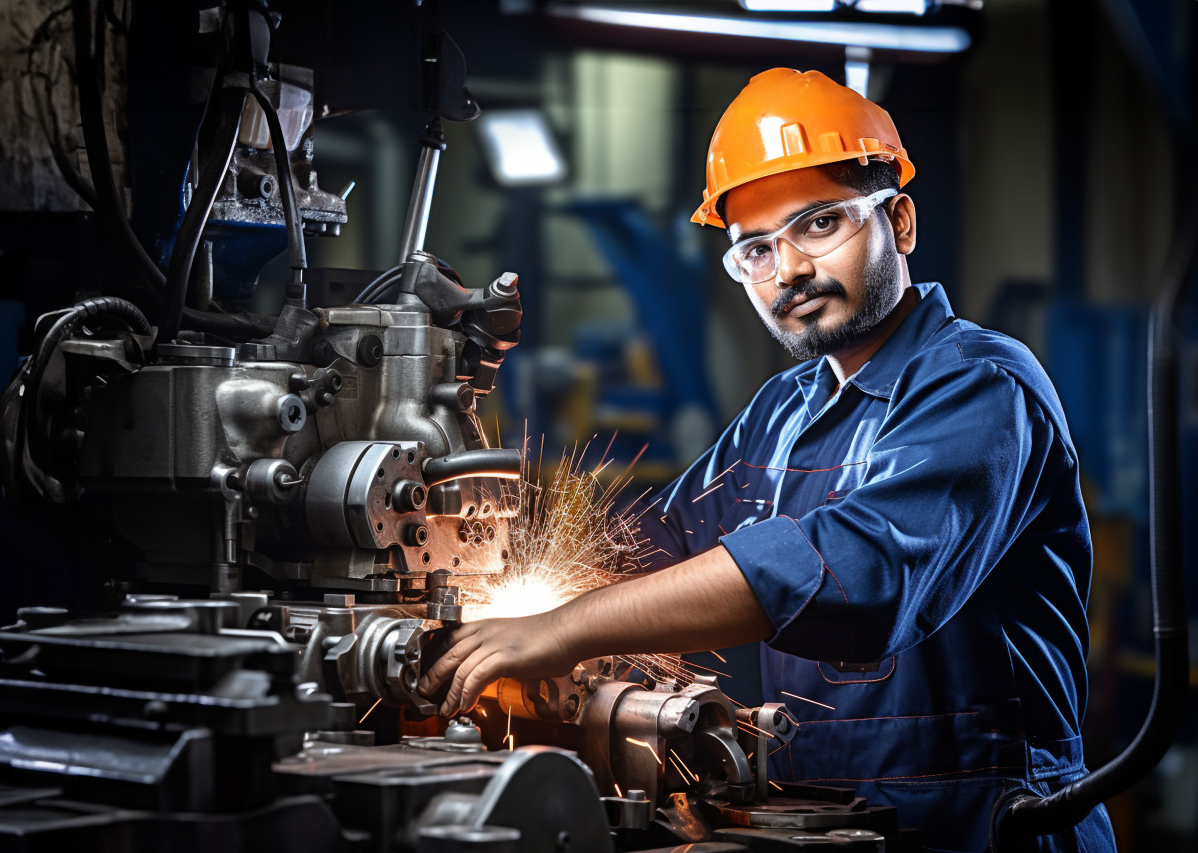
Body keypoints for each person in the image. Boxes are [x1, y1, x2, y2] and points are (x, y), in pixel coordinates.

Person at [418, 68, 1114, 852]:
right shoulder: (783, 410)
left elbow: (862, 574)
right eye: (755, 249)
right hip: (828, 822)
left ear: (900, 222)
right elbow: (652, 547)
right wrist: (469, 561)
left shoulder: (980, 385)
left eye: (820, 224)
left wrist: (562, 627)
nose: (788, 271)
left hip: (992, 826)